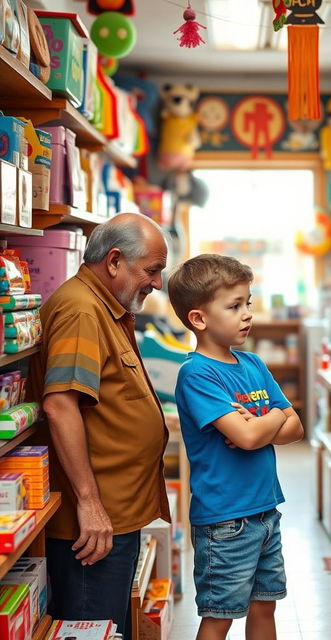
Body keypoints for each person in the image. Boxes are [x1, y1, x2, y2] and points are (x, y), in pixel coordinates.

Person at [27, 213, 171, 639]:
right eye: (151, 270)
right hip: (93, 526)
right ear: (113, 261)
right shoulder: (81, 311)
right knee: (92, 625)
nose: (157, 283)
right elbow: (61, 406)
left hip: (113, 515)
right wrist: (89, 504)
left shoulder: (104, 307)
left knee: (108, 627)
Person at [167, 254, 304, 640]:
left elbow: (296, 427)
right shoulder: (197, 374)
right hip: (224, 521)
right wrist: (276, 416)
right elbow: (247, 438)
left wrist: (267, 421)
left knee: (266, 604)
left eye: (248, 303)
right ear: (199, 318)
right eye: (234, 306)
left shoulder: (253, 364)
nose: (246, 314)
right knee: (220, 616)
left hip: (265, 511)